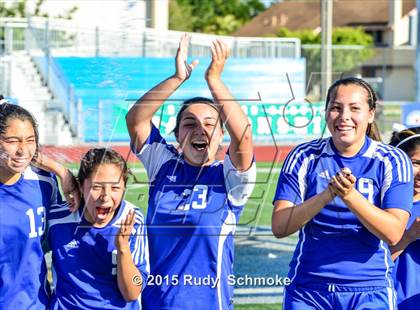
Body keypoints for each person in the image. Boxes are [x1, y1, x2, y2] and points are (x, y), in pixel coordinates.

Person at [126, 34, 256, 309]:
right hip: (155, 303)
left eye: (210, 123)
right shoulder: (163, 165)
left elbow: (243, 136)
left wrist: (215, 81)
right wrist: (177, 78)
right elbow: (136, 120)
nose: (200, 129)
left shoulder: (231, 180)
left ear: (222, 135)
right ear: (176, 134)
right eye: (189, 123)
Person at [272, 77, 414, 309]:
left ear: (370, 114)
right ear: (326, 112)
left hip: (370, 289)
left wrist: (349, 196)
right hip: (308, 290)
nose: (344, 116)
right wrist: (327, 194)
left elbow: (393, 233)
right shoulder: (304, 156)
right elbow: (280, 226)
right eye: (336, 108)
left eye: (355, 108)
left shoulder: (392, 160)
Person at [42, 148, 149, 309]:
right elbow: (19, 151)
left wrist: (123, 249)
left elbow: (132, 292)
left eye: (115, 188)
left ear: (124, 188)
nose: (105, 196)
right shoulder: (57, 219)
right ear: (80, 187)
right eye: (97, 187)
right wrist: (61, 171)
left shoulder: (132, 220)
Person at [0, 98, 76, 309]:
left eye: (30, 140)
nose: (23, 149)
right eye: (13, 140)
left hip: (37, 303)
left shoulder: (44, 183)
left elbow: (57, 238)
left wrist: (62, 172)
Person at [389, 127, 420, 310]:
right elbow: (364, 267)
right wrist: (408, 237)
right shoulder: (376, 208)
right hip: (384, 302)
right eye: (416, 163)